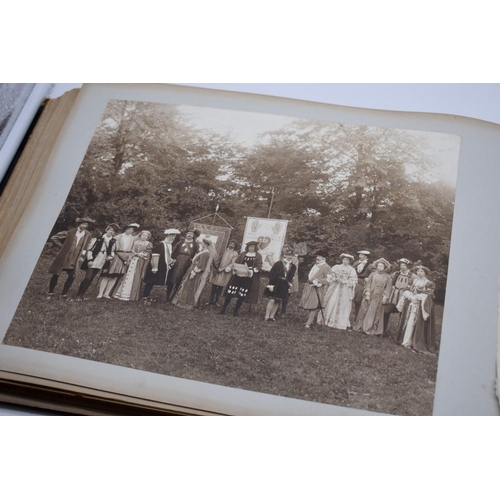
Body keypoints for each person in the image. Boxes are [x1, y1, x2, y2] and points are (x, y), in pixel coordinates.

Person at [47, 217, 95, 298]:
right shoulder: (70, 232)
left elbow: (86, 247)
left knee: (72, 276)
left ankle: (64, 294)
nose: (85, 226)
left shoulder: (88, 235)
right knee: (56, 274)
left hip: (75, 258)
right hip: (65, 257)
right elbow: (54, 238)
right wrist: (62, 247)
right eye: (83, 224)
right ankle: (50, 292)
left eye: (86, 224)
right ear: (79, 224)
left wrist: (82, 256)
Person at [395, 265, 437, 353]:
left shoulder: (429, 283)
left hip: (420, 306)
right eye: (418, 271)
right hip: (412, 303)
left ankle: (413, 341)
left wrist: (418, 297)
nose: (419, 273)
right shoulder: (414, 280)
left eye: (421, 271)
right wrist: (410, 295)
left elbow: (429, 295)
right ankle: (406, 340)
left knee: (415, 322)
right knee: (408, 320)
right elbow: (408, 289)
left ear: (425, 273)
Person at [75, 223, 119, 299]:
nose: (111, 232)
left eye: (113, 231)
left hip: (102, 261)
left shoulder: (113, 241)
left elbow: (113, 251)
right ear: (107, 230)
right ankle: (79, 295)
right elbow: (90, 250)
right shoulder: (98, 238)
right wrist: (90, 260)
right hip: (93, 259)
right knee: (88, 277)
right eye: (110, 230)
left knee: (92, 278)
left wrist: (110, 257)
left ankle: (83, 294)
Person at [218, 241, 263, 316]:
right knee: (231, 291)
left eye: (252, 247)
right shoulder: (243, 254)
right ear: (247, 247)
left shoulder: (258, 256)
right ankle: (223, 309)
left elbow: (259, 265)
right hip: (238, 274)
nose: (251, 248)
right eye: (249, 247)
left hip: (248, 276)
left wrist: (252, 270)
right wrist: (234, 267)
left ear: (255, 248)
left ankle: (236, 310)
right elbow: (236, 262)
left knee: (242, 293)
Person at [173, 238, 217, 310]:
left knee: (191, 287)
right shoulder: (203, 252)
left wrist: (194, 272)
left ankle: (188, 303)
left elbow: (201, 265)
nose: (201, 244)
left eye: (202, 243)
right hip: (194, 269)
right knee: (188, 286)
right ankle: (185, 301)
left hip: (196, 273)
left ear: (205, 245)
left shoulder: (206, 253)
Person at [353, 258, 393, 335]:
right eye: (379, 266)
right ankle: (361, 326)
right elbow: (368, 284)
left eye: (381, 266)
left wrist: (385, 297)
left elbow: (388, 288)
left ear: (384, 267)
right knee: (365, 309)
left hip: (379, 296)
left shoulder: (387, 277)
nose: (380, 267)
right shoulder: (372, 274)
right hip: (370, 294)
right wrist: (367, 293)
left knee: (375, 311)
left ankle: (371, 328)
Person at [319, 253, 357, 330]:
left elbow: (354, 280)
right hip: (334, 287)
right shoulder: (336, 267)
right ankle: (327, 319)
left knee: (343, 303)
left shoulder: (351, 269)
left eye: (347, 260)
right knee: (331, 301)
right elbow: (330, 275)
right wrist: (334, 278)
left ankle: (339, 322)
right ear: (342, 260)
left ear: (349, 262)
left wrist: (345, 281)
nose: (345, 261)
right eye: (344, 259)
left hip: (345, 289)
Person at [101, 223, 140, 298]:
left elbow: (132, 249)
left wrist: (129, 257)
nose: (130, 231)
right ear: (125, 229)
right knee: (108, 275)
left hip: (126, 258)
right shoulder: (118, 237)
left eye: (132, 230)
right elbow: (112, 247)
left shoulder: (133, 239)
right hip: (116, 257)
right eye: (129, 229)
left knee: (115, 276)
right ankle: (100, 293)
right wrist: (111, 255)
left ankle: (107, 293)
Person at [114, 230, 153, 301]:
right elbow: (131, 251)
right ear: (140, 235)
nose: (144, 237)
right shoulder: (135, 242)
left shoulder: (148, 244)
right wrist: (135, 254)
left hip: (140, 262)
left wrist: (143, 255)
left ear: (148, 237)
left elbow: (149, 254)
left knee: (136, 275)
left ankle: (132, 294)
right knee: (128, 275)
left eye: (146, 236)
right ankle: (122, 293)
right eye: (143, 235)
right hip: (133, 260)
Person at [142, 229, 180, 301]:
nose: (172, 238)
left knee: (169, 281)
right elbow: (155, 255)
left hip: (165, 266)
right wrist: (155, 267)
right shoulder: (161, 244)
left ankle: (168, 298)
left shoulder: (170, 245)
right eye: (171, 236)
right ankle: (145, 296)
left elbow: (168, 255)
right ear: (167, 236)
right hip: (158, 265)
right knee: (151, 281)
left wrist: (171, 260)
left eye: (174, 236)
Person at [299, 251, 332, 329]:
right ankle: (309, 320)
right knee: (309, 304)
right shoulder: (316, 265)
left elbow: (329, 280)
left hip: (317, 288)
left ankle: (309, 323)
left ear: (324, 258)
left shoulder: (326, 267)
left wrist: (319, 281)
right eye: (317, 256)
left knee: (314, 305)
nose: (317, 257)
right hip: (310, 286)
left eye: (319, 256)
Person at [263, 248, 296, 321]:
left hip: (284, 284)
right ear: (285, 255)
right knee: (272, 299)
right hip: (276, 282)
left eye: (291, 255)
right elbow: (271, 274)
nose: (289, 257)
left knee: (278, 300)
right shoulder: (278, 263)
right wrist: (270, 284)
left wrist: (289, 284)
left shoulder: (293, 266)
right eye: (288, 255)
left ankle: (272, 316)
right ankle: (267, 315)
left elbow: (291, 276)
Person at [167, 228, 200, 301]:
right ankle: (168, 296)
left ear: (193, 235)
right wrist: (173, 259)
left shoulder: (195, 244)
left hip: (187, 263)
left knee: (181, 279)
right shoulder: (180, 242)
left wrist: (193, 262)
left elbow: (197, 254)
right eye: (188, 234)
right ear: (186, 234)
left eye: (191, 234)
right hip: (177, 262)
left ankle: (174, 296)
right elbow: (173, 251)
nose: (189, 235)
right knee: (172, 278)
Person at [383, 258, 414, 331]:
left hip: (404, 298)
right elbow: (388, 278)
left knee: (403, 315)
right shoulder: (396, 273)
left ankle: (400, 334)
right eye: (401, 265)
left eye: (404, 265)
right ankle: (382, 330)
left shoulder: (412, 276)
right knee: (386, 312)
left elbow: (415, 286)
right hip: (394, 297)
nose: (402, 267)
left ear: (407, 266)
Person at [206, 240, 239, 306]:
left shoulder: (235, 253)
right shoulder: (223, 250)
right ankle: (211, 300)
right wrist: (216, 267)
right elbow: (216, 258)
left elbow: (232, 263)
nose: (232, 245)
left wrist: (223, 269)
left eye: (233, 244)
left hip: (225, 271)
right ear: (228, 243)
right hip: (217, 269)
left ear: (235, 246)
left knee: (220, 286)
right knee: (214, 286)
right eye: (231, 243)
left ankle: (216, 301)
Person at [352, 250, 375, 317]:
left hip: (361, 284)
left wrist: (368, 278)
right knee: (350, 299)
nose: (359, 256)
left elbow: (375, 273)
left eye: (361, 255)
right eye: (359, 255)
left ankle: (357, 317)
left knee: (358, 301)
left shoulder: (370, 265)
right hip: (353, 282)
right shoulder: (356, 263)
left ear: (366, 256)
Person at [279, 244, 300, 316]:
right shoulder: (280, 257)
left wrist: (287, 275)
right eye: (283, 248)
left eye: (286, 249)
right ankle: (275, 310)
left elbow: (295, 270)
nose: (284, 250)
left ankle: (283, 311)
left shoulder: (294, 259)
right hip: (281, 278)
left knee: (286, 295)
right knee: (278, 294)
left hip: (290, 278)